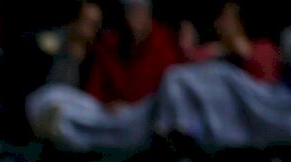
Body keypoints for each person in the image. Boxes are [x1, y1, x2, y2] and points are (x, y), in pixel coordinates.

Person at [154, 2, 291, 148]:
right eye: (221, 19)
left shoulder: (263, 47)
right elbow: (186, 75)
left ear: (239, 22)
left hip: (269, 107)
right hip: (233, 123)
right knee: (178, 76)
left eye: (226, 19)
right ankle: (181, 130)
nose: (220, 25)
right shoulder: (217, 52)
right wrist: (190, 49)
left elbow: (266, 82)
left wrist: (241, 50)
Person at [26, 0, 178, 151]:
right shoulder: (108, 45)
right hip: (105, 116)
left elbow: (169, 88)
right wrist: (106, 103)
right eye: (132, 13)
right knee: (50, 98)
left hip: (146, 118)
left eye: (93, 25)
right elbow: (94, 89)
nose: (135, 20)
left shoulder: (164, 42)